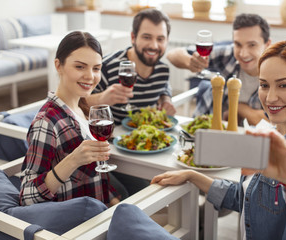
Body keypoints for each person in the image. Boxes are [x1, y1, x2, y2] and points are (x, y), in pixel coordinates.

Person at [152, 39, 286, 239]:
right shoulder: (265, 132)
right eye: (264, 85)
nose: (270, 97)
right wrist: (192, 176)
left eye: (284, 85)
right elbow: (246, 197)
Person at [19, 31, 122, 206]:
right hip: (77, 224)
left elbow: (94, 175)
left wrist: (115, 205)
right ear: (58, 66)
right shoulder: (46, 122)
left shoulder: (84, 109)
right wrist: (73, 160)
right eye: (80, 67)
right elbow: (27, 197)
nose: (90, 76)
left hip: (100, 213)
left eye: (96, 68)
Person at [167, 13, 271, 125]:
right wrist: (190, 62)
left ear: (267, 44)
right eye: (238, 44)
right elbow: (172, 54)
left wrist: (238, 108)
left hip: (247, 137)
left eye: (252, 45)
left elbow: (271, 123)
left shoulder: (275, 74)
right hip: (204, 126)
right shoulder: (228, 54)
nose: (243, 54)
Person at [87, 9, 176, 125]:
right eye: (147, 37)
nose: (154, 46)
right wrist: (101, 99)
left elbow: (164, 88)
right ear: (133, 37)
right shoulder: (107, 67)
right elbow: (76, 103)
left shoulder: (163, 71)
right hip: (111, 139)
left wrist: (166, 98)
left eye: (160, 39)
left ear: (167, 41)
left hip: (146, 138)